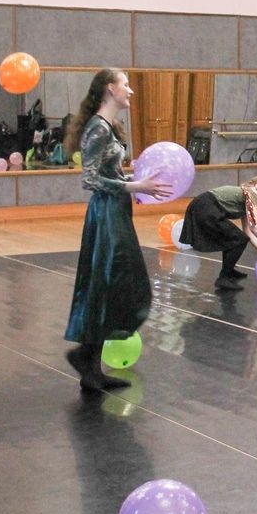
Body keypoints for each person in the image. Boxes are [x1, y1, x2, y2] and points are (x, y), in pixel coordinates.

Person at [63, 68, 171, 393]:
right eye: (125, 84)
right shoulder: (97, 129)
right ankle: (87, 358)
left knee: (111, 283)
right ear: (110, 88)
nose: (130, 90)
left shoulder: (108, 127)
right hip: (106, 214)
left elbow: (109, 174)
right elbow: (89, 179)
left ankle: (89, 362)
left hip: (116, 210)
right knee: (111, 281)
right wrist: (134, 185)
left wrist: (134, 183)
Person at [179, 175, 257, 292]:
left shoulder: (246, 195)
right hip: (205, 207)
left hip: (201, 205)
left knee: (236, 238)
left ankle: (229, 272)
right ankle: (224, 278)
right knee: (238, 239)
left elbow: (248, 232)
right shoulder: (251, 195)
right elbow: (255, 227)